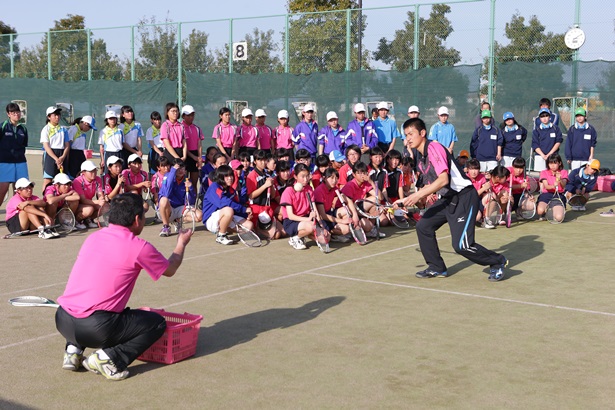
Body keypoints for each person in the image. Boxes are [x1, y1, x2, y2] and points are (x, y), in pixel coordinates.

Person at [55, 193, 193, 381]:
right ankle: (109, 358)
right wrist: (181, 244)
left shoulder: (93, 238)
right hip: (96, 328)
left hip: (63, 319)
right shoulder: (139, 246)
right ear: (137, 219)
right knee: (156, 323)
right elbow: (170, 269)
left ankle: (73, 351)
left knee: (84, 299)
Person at [396, 118, 507, 282]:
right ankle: (436, 267)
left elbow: (443, 180)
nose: (408, 139)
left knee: (462, 246)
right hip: (448, 199)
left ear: (422, 133)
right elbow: (431, 185)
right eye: (406, 135)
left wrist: (416, 196)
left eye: (411, 134)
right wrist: (403, 201)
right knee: (423, 226)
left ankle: (497, 262)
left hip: (464, 197)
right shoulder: (421, 158)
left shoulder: (434, 148)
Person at [202, 164, 254, 245]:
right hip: (211, 220)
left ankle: (224, 229)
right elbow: (224, 203)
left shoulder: (231, 190)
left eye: (231, 175)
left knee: (249, 226)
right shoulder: (214, 187)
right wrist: (244, 209)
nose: (230, 178)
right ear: (220, 177)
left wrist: (245, 215)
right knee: (228, 210)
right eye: (226, 176)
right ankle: (221, 236)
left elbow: (236, 205)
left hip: (226, 216)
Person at [158, 161, 201, 237]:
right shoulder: (167, 177)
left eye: (183, 169)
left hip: (180, 209)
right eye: (178, 169)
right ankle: (166, 226)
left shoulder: (187, 181)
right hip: (168, 209)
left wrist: (190, 188)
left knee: (199, 216)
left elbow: (191, 201)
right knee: (164, 200)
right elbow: (166, 193)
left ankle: (178, 221)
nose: (181, 171)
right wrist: (173, 172)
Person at [246, 149, 283, 240]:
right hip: (256, 208)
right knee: (276, 235)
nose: (263, 162)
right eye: (260, 160)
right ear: (255, 161)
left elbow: (273, 196)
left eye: (264, 160)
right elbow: (251, 195)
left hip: (266, 207)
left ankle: (262, 229)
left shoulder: (267, 174)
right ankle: (256, 229)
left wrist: (271, 186)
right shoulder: (252, 176)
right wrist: (265, 186)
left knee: (284, 232)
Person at [280, 163, 316, 250]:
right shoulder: (288, 191)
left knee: (325, 238)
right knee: (311, 227)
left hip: (305, 219)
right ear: (295, 176)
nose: (305, 179)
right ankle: (295, 238)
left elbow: (314, 210)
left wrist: (321, 225)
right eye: (302, 176)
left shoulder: (309, 189)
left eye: (307, 176)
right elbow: (290, 216)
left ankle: (302, 236)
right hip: (291, 222)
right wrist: (308, 220)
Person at [0, 102, 29, 208]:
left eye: (18, 112)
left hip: (21, 163)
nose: (16, 114)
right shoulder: (3, 126)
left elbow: (24, 145)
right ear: (8, 114)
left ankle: (15, 215)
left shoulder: (23, 129)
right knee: (2, 190)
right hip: (4, 163)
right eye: (13, 112)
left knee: (20, 191)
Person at [41, 106, 70, 187]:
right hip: (50, 156)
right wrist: (56, 159)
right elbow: (46, 146)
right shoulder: (45, 129)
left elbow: (67, 145)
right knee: (48, 180)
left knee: (63, 180)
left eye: (58, 114)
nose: (57, 117)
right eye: (54, 115)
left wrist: (63, 157)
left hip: (61, 155)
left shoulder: (63, 129)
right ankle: (46, 198)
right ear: (49, 117)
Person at [73, 160, 106, 229]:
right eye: (91, 171)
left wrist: (102, 200)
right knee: (89, 209)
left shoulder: (98, 179)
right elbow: (83, 200)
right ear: (83, 172)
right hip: (78, 205)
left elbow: (100, 194)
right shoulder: (77, 181)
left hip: (88, 203)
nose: (94, 173)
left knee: (105, 207)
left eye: (95, 170)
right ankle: (76, 221)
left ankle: (88, 219)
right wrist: (98, 202)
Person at [536, 154, 568, 222]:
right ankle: (544, 212)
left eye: (555, 163)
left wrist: (560, 180)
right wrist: (553, 186)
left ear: (559, 163)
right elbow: (546, 186)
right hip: (546, 195)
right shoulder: (544, 172)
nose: (552, 166)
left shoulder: (564, 172)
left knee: (559, 218)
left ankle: (555, 210)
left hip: (558, 195)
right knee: (540, 211)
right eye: (550, 163)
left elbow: (563, 185)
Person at [532, 108, 563, 172]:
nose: (544, 118)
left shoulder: (556, 129)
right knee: (541, 177)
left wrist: (549, 154)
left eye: (546, 116)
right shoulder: (536, 130)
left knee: (553, 175)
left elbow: (558, 142)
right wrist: (543, 155)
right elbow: (535, 144)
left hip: (553, 156)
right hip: (540, 156)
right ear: (539, 118)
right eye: (542, 116)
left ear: (550, 117)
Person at [181, 105, 204, 190]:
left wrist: (199, 158)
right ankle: (185, 202)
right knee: (185, 182)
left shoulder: (197, 129)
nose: (191, 117)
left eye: (192, 115)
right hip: (185, 156)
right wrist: (193, 156)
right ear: (183, 116)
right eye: (188, 115)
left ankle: (193, 202)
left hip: (195, 156)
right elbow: (183, 145)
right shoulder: (181, 127)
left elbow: (199, 144)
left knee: (194, 183)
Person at [145, 111, 163, 175]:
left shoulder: (164, 128)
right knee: (153, 172)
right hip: (155, 152)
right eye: (155, 120)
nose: (157, 121)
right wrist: (160, 152)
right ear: (151, 120)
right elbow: (152, 144)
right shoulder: (150, 130)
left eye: (158, 119)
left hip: (164, 151)